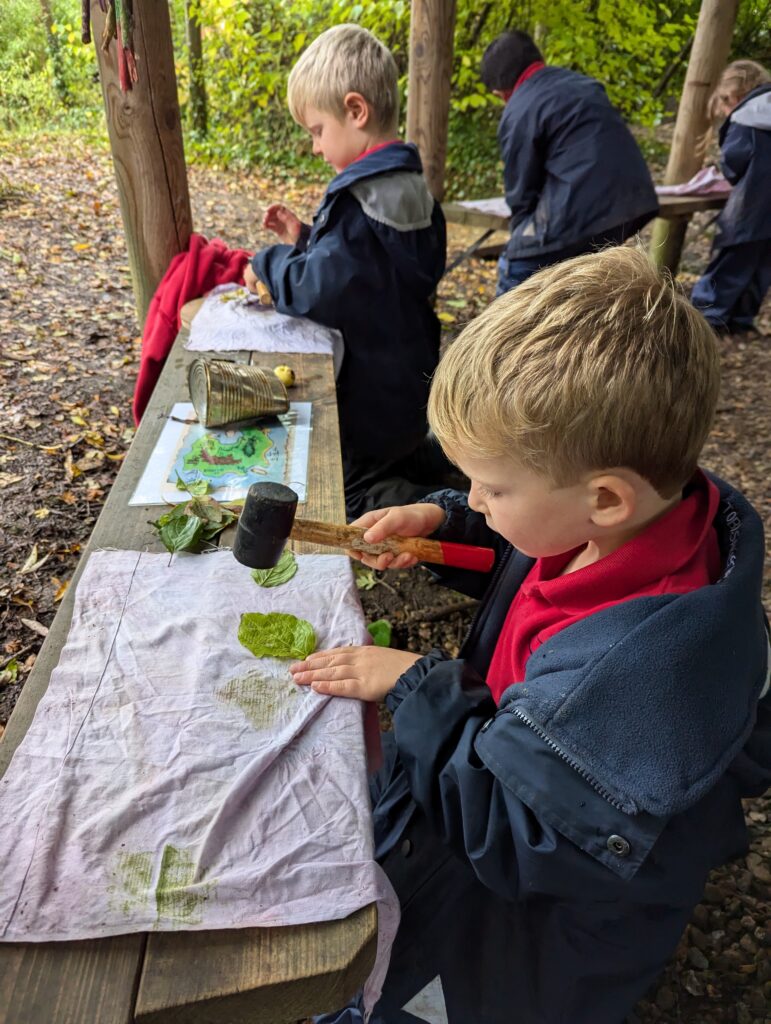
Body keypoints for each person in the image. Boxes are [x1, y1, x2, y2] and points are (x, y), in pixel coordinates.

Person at [289, 246, 770, 1024]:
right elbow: (525, 546)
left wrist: (419, 688)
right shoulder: (641, 518)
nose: (476, 498)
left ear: (605, 498)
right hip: (519, 767)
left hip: (539, 931)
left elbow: (518, 836)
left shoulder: (638, 680)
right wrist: (440, 524)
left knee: (424, 996)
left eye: (490, 486)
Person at [244, 24, 451, 519]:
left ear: (356, 111)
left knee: (350, 487)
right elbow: (373, 269)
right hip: (408, 373)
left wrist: (268, 263)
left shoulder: (359, 198)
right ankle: (427, 462)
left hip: (370, 388)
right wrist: (304, 238)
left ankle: (446, 512)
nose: (315, 146)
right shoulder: (408, 185)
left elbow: (322, 287)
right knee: (399, 443)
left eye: (317, 130)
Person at [479, 30, 658, 295]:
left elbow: (521, 191)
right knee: (579, 281)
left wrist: (522, 237)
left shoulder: (520, 107)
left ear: (502, 91)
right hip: (633, 204)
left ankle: (500, 336)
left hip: (578, 209)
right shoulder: (584, 85)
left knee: (515, 266)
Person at [692, 60, 771, 335]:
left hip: (751, 208)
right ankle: (741, 319)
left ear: (732, 96)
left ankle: (705, 320)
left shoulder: (745, 117)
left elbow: (735, 163)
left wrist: (719, 170)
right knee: (761, 267)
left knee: (729, 264)